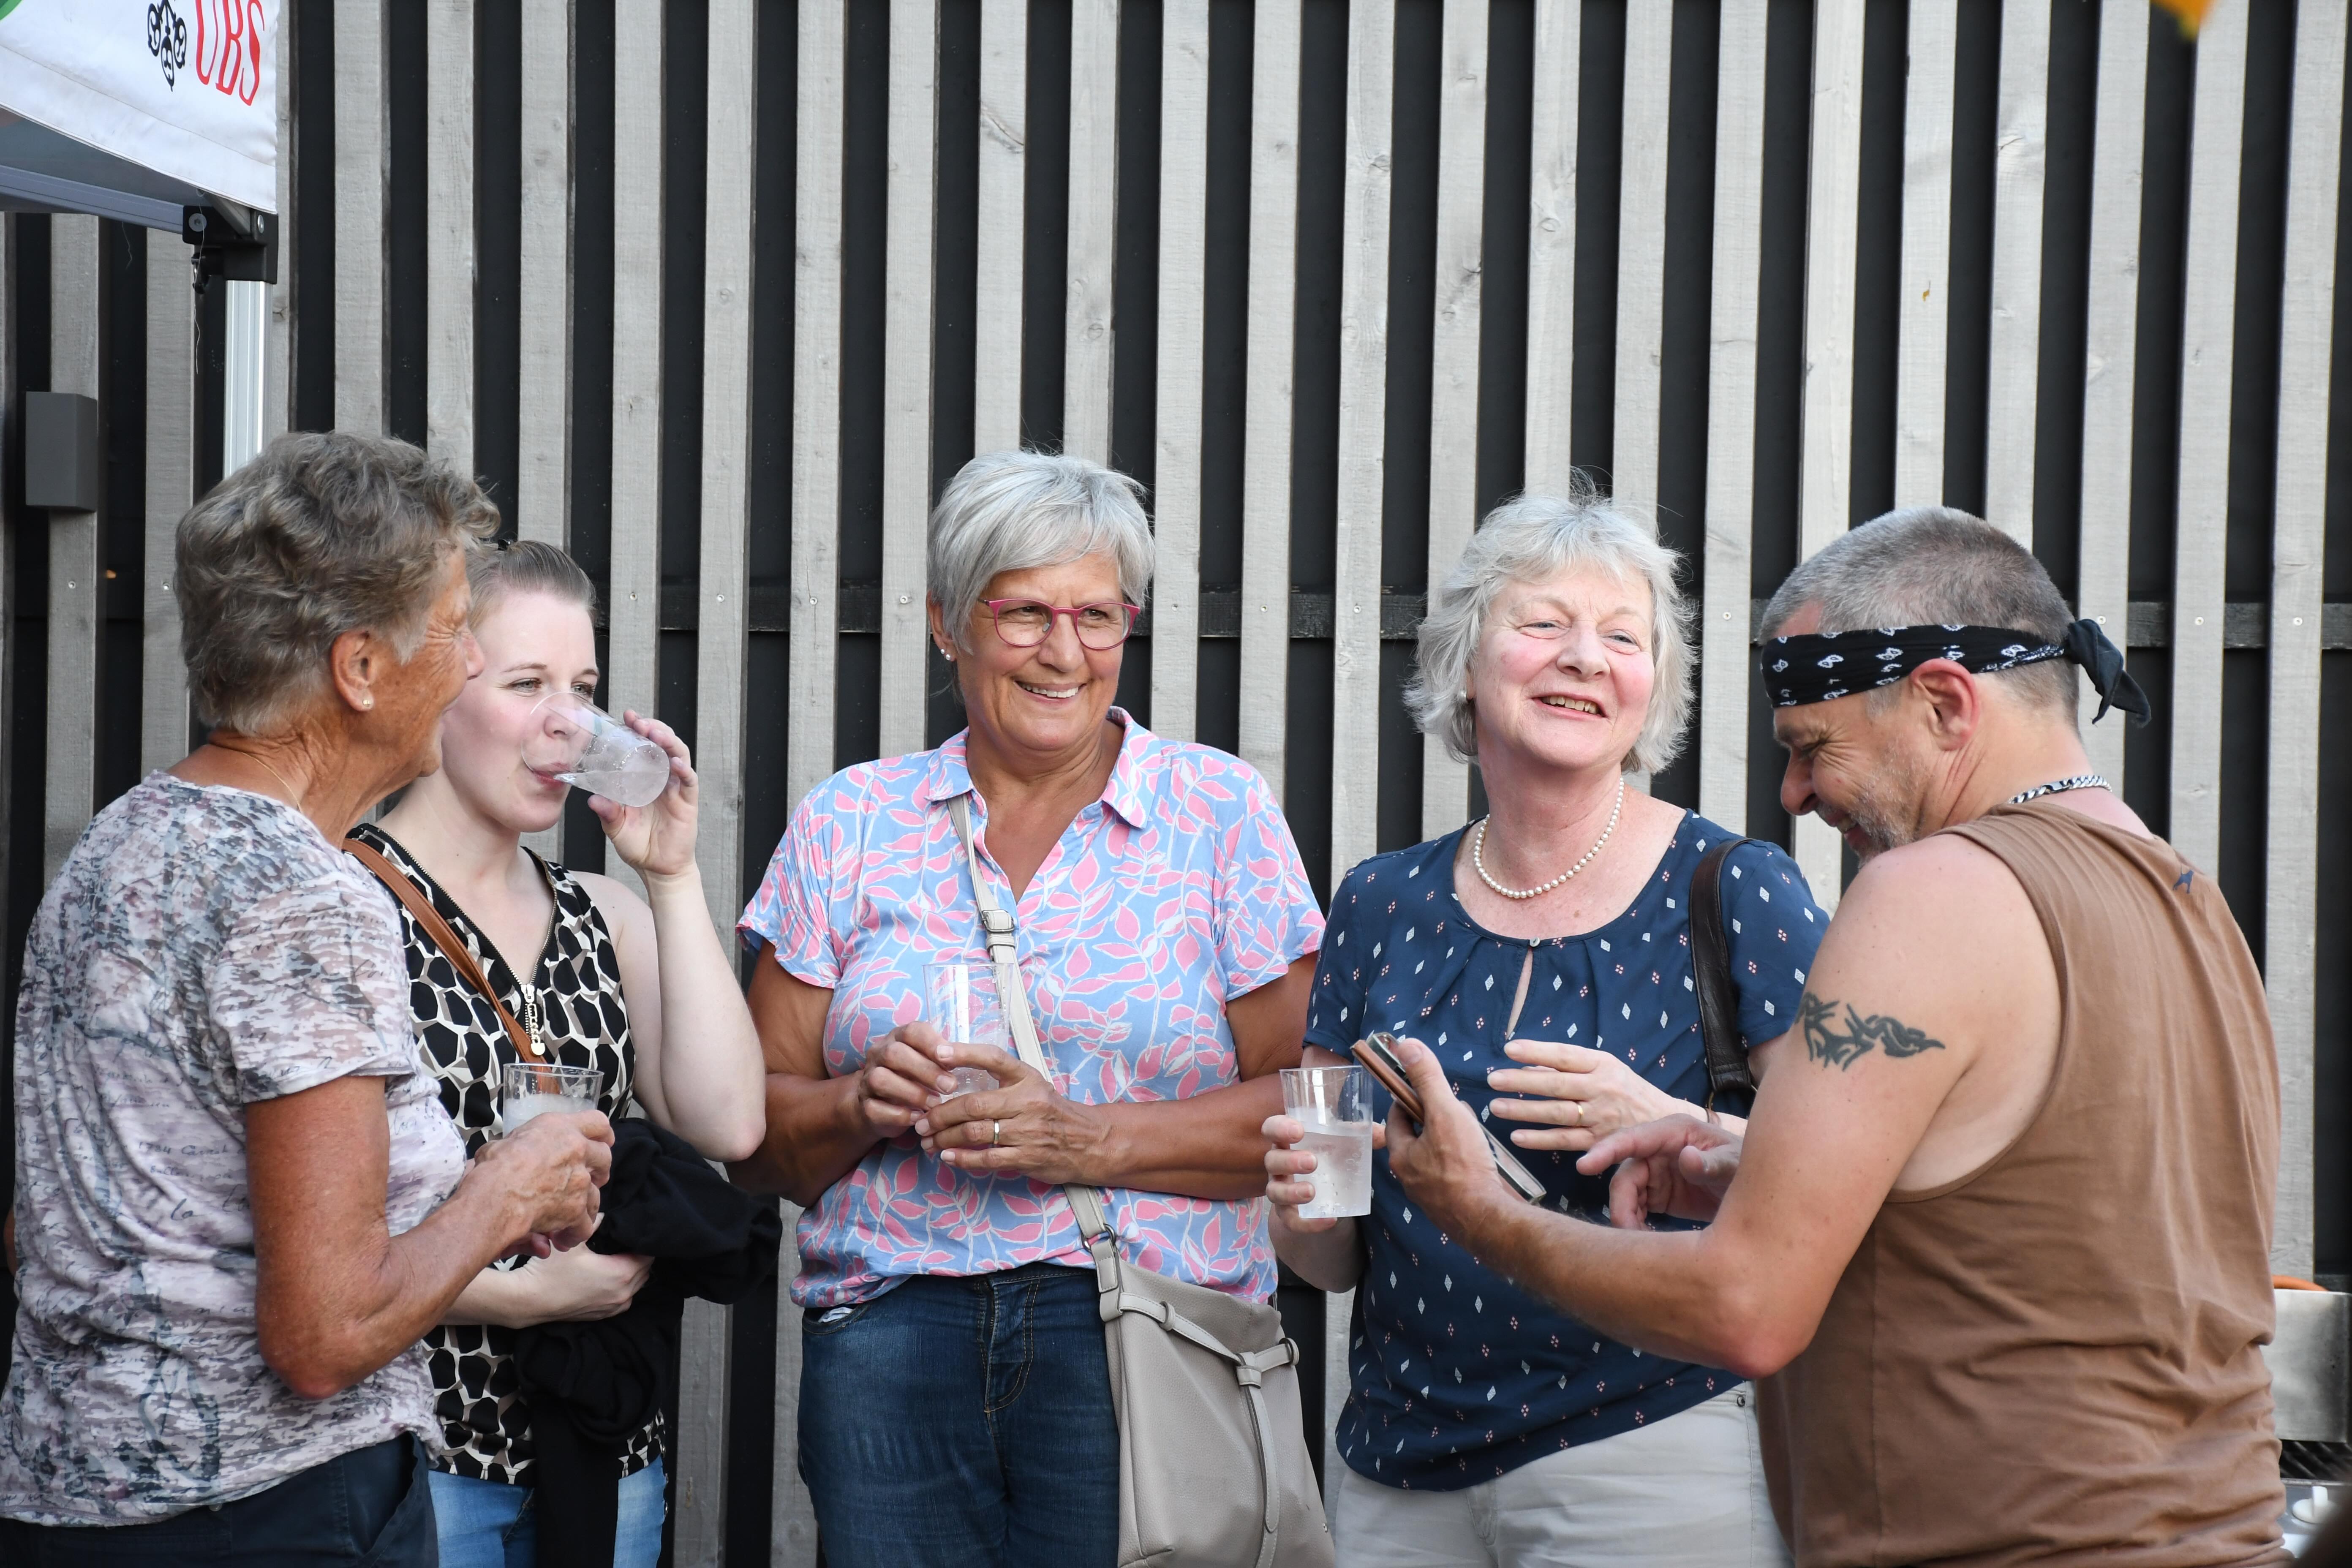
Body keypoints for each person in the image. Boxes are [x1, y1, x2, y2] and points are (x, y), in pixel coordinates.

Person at [1378, 508, 2289, 1566]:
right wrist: (1758, 1165)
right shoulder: (2188, 897)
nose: (1794, 794)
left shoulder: (1930, 892)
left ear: (1944, 702)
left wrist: (1479, 1208)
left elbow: (1746, 1310)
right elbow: (2063, 1221)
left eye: (1813, 746)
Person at [0, 432, 613, 1566]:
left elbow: (54, 1220)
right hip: (269, 1511)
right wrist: (504, 1191)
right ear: (360, 667)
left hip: (73, 1496)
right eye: (453, 630)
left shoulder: (115, 846)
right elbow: (324, 1338)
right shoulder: (302, 892)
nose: (469, 665)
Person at [730, 449, 1325, 1567]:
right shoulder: (851, 821)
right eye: (1024, 614)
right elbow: (754, 1139)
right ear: (946, 623)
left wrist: (1085, 1137)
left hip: (1143, 1328)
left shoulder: (1216, 812)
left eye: (1096, 615)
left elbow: (1304, 1107)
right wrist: (861, 1104)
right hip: (893, 1333)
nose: (1064, 652)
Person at [1261, 488, 1817, 1565]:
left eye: (1623, 637)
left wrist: (1675, 1122)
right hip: (1400, 1471)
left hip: (1652, 1449)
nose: (1585, 658)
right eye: (1544, 622)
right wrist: (1298, 1199)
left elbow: (1836, 1195)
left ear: (1653, 685)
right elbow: (1328, 1256)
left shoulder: (1736, 887)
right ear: (1467, 661)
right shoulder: (1378, 901)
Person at [353, 540, 766, 1567]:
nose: (567, 721)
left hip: (601, 1446)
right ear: (437, 686)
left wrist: (673, 875)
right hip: (421, 1453)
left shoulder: (602, 912)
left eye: (581, 688)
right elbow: (307, 1230)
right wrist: (521, 1293)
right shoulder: (345, 904)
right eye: (527, 683)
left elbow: (729, 1121)